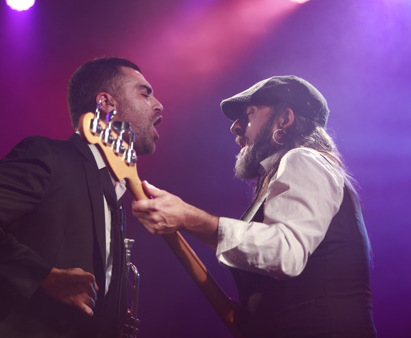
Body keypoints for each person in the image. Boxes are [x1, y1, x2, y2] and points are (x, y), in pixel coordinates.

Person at [0, 57, 163, 338]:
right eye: (145, 93)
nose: (158, 105)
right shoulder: (51, 157)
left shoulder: (119, 196)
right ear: (105, 103)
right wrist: (42, 275)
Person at [132, 75, 376, 337]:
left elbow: (286, 253)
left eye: (248, 114)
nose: (235, 127)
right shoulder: (288, 171)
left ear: (284, 120)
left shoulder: (303, 159)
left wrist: (189, 218)